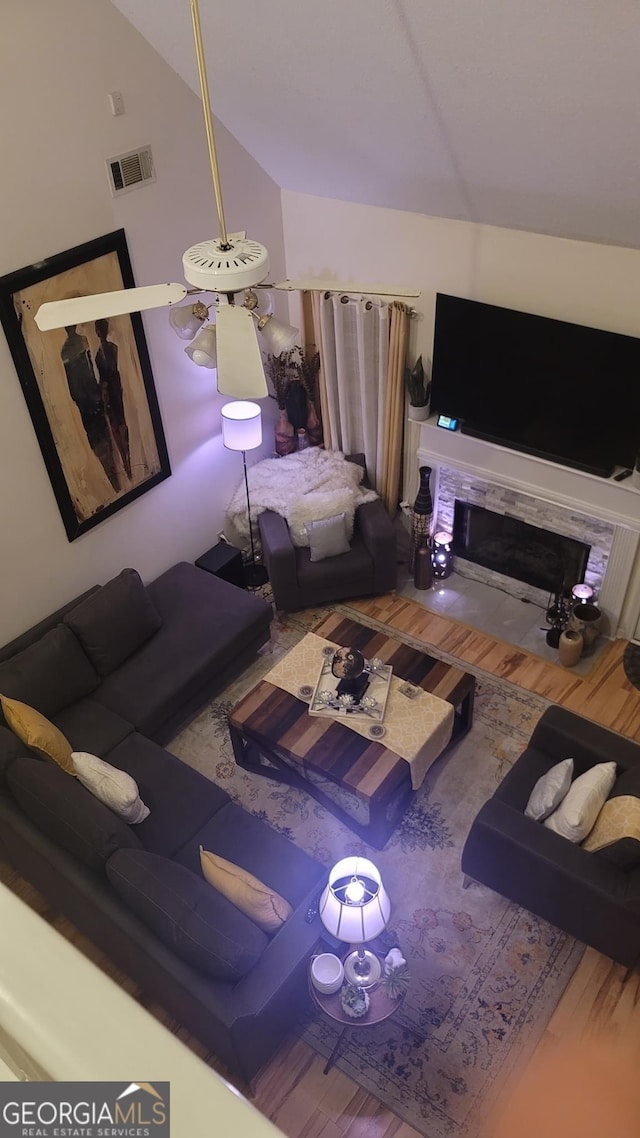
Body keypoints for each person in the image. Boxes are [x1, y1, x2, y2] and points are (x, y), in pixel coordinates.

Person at [60, 325, 119, 492]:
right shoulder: (74, 346)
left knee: (100, 438)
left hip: (86, 400)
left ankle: (112, 476)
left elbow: (78, 380)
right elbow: (85, 374)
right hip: (89, 398)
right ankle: (112, 477)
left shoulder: (69, 348)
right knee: (101, 438)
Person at [94, 318, 132, 480]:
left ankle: (128, 460)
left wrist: (107, 387)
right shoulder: (97, 355)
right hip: (109, 394)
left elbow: (112, 374)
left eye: (101, 329)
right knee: (116, 426)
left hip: (115, 392)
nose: (100, 332)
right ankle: (125, 461)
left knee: (121, 425)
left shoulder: (112, 349)